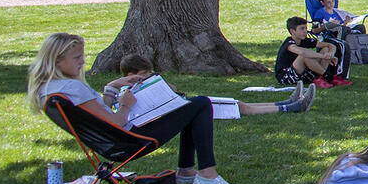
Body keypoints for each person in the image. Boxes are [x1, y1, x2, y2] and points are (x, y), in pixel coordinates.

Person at [27, 32, 236, 184]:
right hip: (129, 140)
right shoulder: (72, 88)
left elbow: (100, 114)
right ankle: (206, 174)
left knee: (187, 105)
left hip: (114, 140)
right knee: (199, 103)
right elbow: (116, 121)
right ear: (56, 60)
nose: (82, 62)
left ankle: (187, 172)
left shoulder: (51, 90)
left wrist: (112, 86)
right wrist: (126, 103)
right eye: (77, 58)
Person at [109, 53, 315, 115]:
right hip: (187, 110)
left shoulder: (140, 87)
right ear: (130, 75)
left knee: (237, 102)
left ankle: (286, 102)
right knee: (240, 107)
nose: (149, 76)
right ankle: (292, 107)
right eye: (145, 74)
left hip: (185, 104)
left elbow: (171, 89)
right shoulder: (129, 92)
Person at [276, 16, 347, 89]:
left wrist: (330, 54)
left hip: (303, 73)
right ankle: (328, 77)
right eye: (301, 29)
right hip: (286, 76)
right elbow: (303, 52)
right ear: (292, 31)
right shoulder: (289, 43)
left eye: (306, 28)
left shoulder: (304, 40)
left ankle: (321, 79)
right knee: (304, 56)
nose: (305, 31)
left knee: (325, 49)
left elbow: (330, 45)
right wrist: (323, 56)